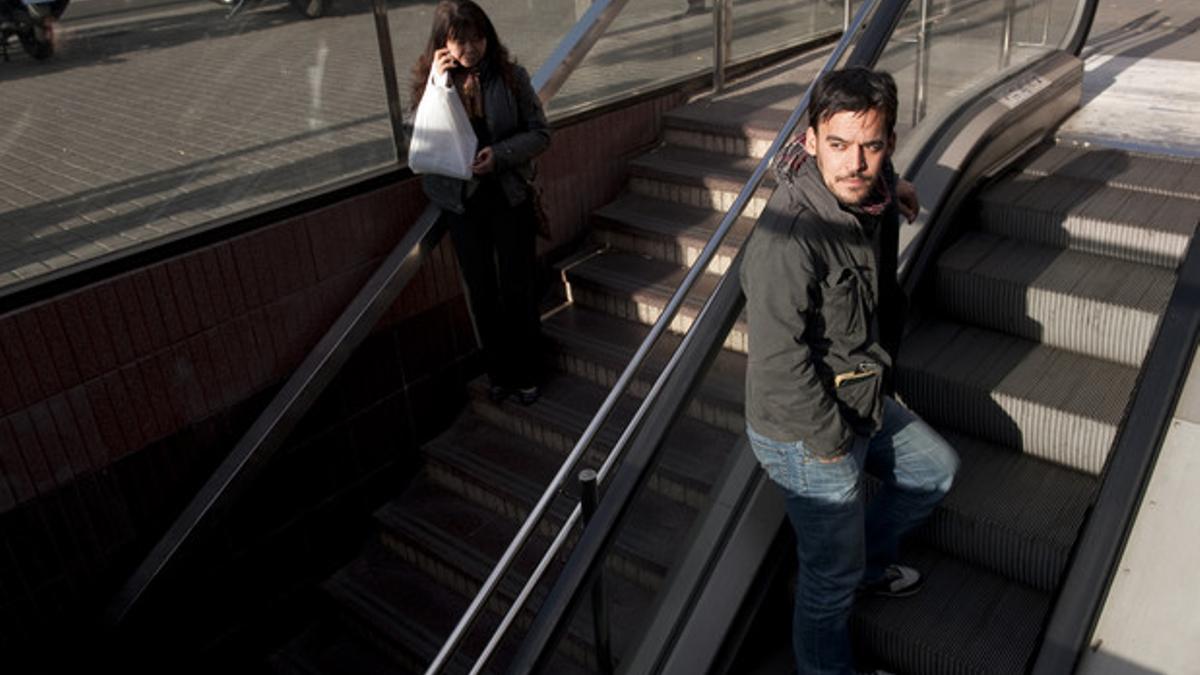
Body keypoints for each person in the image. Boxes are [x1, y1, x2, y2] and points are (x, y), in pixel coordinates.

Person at [739, 67, 958, 675]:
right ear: (809, 141)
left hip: (858, 393)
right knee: (826, 583)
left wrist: (898, 186)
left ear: (888, 143)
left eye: (873, 146)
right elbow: (781, 366)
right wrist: (835, 449)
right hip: (807, 431)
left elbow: (873, 178)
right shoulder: (789, 239)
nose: (855, 163)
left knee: (933, 470)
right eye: (837, 145)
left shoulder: (872, 187)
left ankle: (864, 564)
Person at [412, 0, 550, 405]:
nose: (470, 48)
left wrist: (501, 155)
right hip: (462, 205)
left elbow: (541, 133)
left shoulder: (510, 77)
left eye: (477, 38)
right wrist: (437, 87)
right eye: (460, 40)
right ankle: (499, 374)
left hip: (508, 197)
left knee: (516, 286)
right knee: (481, 292)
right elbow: (418, 137)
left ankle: (527, 373)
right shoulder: (431, 83)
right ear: (443, 43)